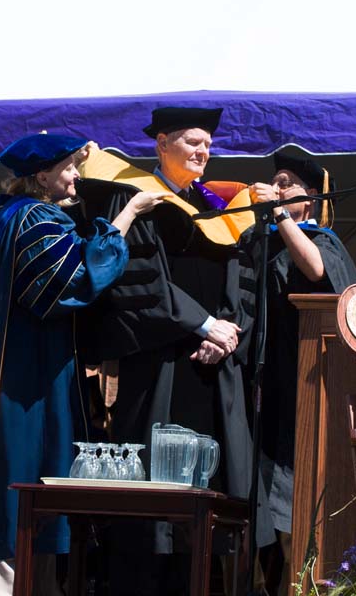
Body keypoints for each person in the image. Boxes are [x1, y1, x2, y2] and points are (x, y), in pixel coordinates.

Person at [0, 133, 164, 596]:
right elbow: (71, 282)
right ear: (41, 175)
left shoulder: (9, 215)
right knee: (21, 489)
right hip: (25, 378)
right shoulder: (35, 217)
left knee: (27, 489)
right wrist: (128, 214)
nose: (76, 175)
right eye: (68, 167)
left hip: (21, 371)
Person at [74, 106, 274, 594]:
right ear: (162, 143)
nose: (203, 151)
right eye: (191, 142)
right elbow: (138, 284)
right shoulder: (138, 200)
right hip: (163, 365)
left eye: (207, 144)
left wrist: (228, 335)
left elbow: (245, 282)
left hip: (214, 372)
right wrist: (201, 326)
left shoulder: (217, 208)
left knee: (214, 507)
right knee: (156, 515)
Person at [246, 152, 356, 595]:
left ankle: (305, 583)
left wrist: (280, 218)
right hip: (263, 389)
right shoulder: (261, 240)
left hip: (306, 392)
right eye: (274, 180)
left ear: (311, 199)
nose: (277, 188)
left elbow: (314, 269)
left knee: (297, 504)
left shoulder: (324, 241)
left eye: (288, 183)